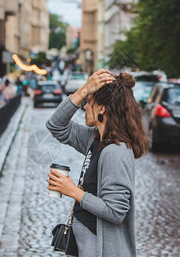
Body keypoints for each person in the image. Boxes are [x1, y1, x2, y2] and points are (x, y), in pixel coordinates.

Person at [46, 69, 148, 257]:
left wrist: (73, 191)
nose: (84, 107)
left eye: (89, 102)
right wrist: (84, 91)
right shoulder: (96, 140)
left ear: (102, 108)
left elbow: (116, 211)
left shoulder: (115, 152)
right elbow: (56, 125)